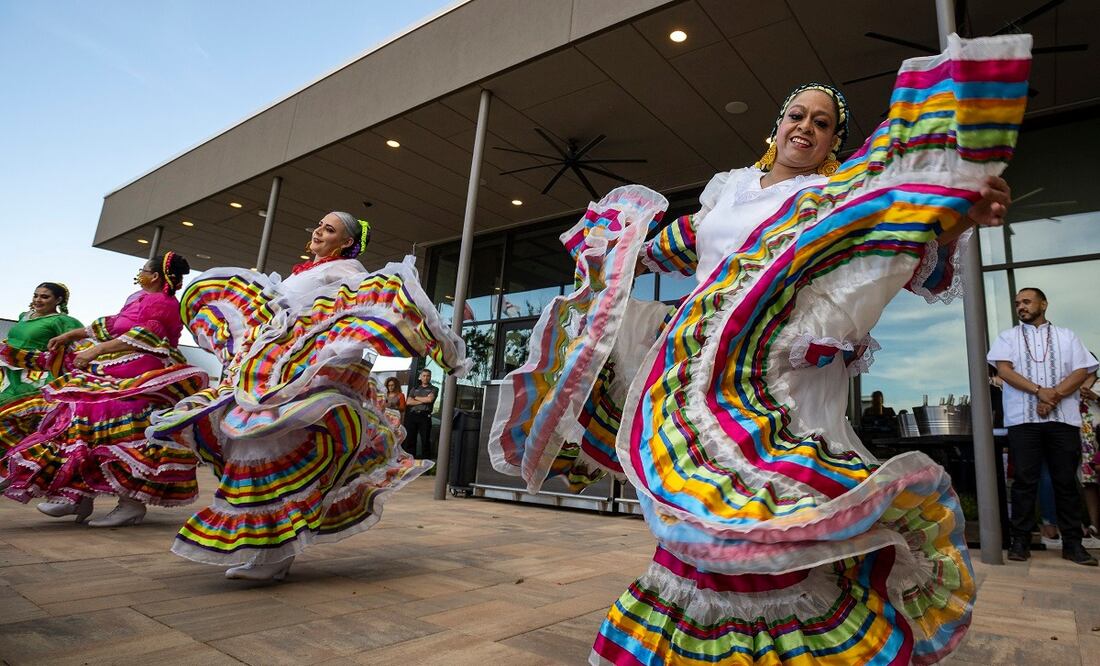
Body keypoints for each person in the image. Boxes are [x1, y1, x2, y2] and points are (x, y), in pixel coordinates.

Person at [491, 34, 1029, 664]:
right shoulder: (728, 190)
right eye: (797, 116)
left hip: (786, 374)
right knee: (702, 516)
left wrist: (959, 210)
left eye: (823, 124)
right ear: (777, 127)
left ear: (834, 143)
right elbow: (672, 247)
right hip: (698, 370)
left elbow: (909, 252)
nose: (806, 127)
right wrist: (607, 251)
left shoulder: (832, 198)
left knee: (768, 513)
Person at [147, 212, 469, 581]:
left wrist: (330, 367)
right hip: (269, 380)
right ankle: (267, 550)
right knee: (245, 448)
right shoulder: (300, 273)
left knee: (266, 452)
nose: (318, 231)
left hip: (300, 383)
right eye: (318, 225)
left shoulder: (347, 272)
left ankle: (276, 555)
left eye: (329, 229)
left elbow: (360, 316)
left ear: (346, 242)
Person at [2, 254, 207, 526]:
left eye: (143, 270)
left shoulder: (163, 302)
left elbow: (144, 336)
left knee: (120, 428)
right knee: (77, 420)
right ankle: (76, 495)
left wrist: (97, 350)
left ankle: (130, 503)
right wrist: (71, 336)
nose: (140, 274)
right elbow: (112, 324)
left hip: (143, 373)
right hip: (115, 369)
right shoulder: (138, 298)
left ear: (156, 275)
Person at [988, 287, 1098, 566]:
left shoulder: (1067, 336)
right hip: (1024, 420)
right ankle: (1020, 542)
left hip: (1062, 419)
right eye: (1017, 303)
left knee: (1065, 482)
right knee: (1025, 481)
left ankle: (1072, 544)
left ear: (1043, 304)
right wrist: (1040, 391)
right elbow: (1004, 371)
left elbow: (1082, 371)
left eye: (1026, 301)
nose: (1021, 307)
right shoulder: (1007, 337)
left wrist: (1054, 396)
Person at [0, 283, 83, 454]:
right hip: (7, 371)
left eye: (45, 297)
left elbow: (81, 343)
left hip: (31, 377)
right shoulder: (24, 316)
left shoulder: (62, 321)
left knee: (8, 411)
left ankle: (13, 459)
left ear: (58, 300)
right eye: (36, 295)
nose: (38, 300)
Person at [1079, 373, 1100, 547]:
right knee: (1088, 483)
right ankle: (1093, 525)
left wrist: (1096, 397)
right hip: (1084, 444)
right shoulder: (1072, 388)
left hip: (1098, 442)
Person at [403, 368, 438, 459]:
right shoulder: (415, 388)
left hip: (425, 416)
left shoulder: (434, 388)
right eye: (424, 376)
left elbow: (430, 399)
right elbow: (408, 402)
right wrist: (424, 400)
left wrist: (416, 397)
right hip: (413, 415)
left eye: (428, 376)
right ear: (420, 377)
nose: (426, 378)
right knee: (411, 439)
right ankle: (411, 460)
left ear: (430, 377)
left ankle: (426, 461)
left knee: (425, 439)